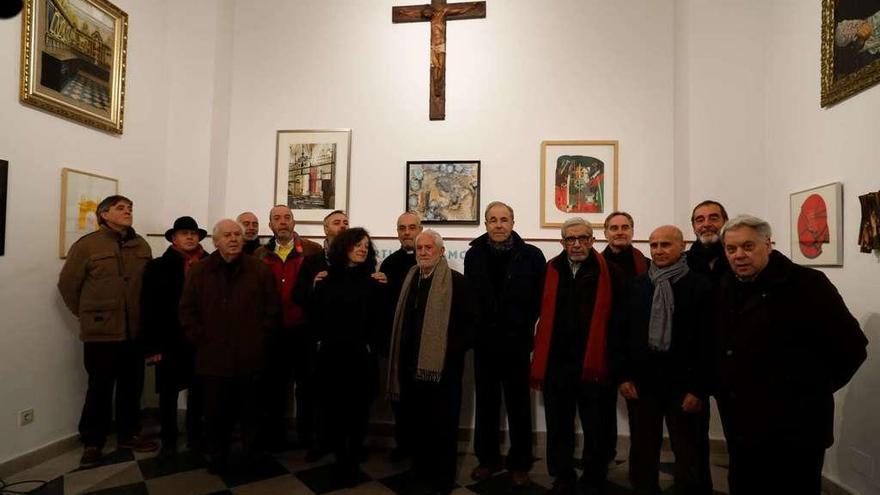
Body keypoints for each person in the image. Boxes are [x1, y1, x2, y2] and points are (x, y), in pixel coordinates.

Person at [715, 215, 868, 494]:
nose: (739, 255)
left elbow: (853, 347)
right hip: (742, 423)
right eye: (731, 249)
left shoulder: (808, 283)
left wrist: (812, 390)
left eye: (748, 246)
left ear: (768, 244)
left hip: (795, 428)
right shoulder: (726, 284)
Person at [612, 226, 713, 495]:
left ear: (682, 247)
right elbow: (619, 335)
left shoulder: (700, 286)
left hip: (686, 386)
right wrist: (623, 376)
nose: (658, 250)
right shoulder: (637, 285)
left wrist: (699, 388)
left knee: (688, 451)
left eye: (666, 244)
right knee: (643, 449)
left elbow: (710, 342)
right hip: (643, 384)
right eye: (654, 245)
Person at [58, 195, 158, 467]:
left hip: (134, 332)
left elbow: (149, 288)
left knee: (131, 387)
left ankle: (128, 434)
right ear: (103, 214)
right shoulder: (87, 246)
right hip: (101, 334)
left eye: (130, 208)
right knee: (99, 388)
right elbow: (68, 286)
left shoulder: (141, 245)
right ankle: (93, 442)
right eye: (121, 208)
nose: (128, 212)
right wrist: (91, 316)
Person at [531, 217, 625, 495]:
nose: (577, 244)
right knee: (559, 424)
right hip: (557, 362)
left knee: (597, 424)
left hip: (594, 362)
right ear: (562, 243)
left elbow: (621, 321)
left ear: (593, 240)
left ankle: (595, 474)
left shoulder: (611, 272)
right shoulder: (551, 270)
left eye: (583, 238)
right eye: (571, 239)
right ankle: (562, 474)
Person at [179, 219, 280, 474]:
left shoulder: (259, 269)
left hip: (251, 355)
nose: (234, 238)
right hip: (213, 357)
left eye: (238, 234)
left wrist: (260, 338)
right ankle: (217, 455)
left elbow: (272, 308)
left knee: (252, 413)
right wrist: (200, 337)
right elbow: (187, 310)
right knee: (215, 413)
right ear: (215, 241)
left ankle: (252, 456)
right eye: (227, 235)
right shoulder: (200, 271)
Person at [387, 229, 477, 495]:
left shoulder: (457, 282)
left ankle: (442, 479)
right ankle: (420, 472)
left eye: (429, 248)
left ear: (441, 251)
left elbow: (472, 326)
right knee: (417, 425)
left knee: (443, 427)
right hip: (410, 369)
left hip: (443, 372)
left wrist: (448, 350)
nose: (424, 253)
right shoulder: (410, 280)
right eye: (420, 249)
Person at [464, 201, 546, 485]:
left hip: (516, 344)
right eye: (493, 220)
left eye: (504, 219)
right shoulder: (473, 256)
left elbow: (539, 301)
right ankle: (487, 460)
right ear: (485, 224)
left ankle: (520, 462)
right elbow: (471, 298)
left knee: (519, 406)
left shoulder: (532, 256)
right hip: (485, 344)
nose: (498, 225)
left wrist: (522, 327)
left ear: (513, 222)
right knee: (486, 406)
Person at [307, 227, 387, 486]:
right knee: (333, 411)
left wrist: (369, 346)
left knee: (358, 413)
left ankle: (351, 460)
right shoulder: (325, 281)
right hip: (331, 358)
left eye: (366, 245)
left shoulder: (374, 283)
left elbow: (379, 323)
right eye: (357, 244)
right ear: (344, 248)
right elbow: (315, 318)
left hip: (359, 360)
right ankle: (341, 458)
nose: (363, 248)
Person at [253, 205, 322, 451]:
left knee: (306, 388)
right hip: (272, 332)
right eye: (277, 218)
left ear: (294, 222)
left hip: (303, 331)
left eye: (287, 218)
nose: (282, 222)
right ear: (270, 225)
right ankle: (274, 437)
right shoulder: (260, 255)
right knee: (273, 388)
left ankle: (307, 438)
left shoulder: (313, 251)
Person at [141, 216, 209, 457]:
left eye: (193, 233)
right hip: (169, 339)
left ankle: (195, 436)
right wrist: (153, 346)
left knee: (199, 391)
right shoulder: (157, 266)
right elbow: (149, 308)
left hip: (202, 339)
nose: (189, 237)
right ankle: (168, 438)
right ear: (174, 238)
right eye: (183, 233)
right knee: (168, 394)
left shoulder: (211, 263)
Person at [291, 209, 349, 460]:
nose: (343, 226)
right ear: (326, 230)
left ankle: (341, 442)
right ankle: (313, 440)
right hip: (316, 339)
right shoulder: (313, 260)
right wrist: (313, 284)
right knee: (313, 391)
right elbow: (298, 296)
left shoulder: (357, 258)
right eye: (337, 223)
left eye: (346, 222)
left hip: (345, 340)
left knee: (341, 394)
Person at [378, 211, 423, 460]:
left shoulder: (430, 257)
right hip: (397, 342)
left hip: (422, 343)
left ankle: (420, 447)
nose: (407, 232)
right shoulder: (389, 263)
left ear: (420, 229)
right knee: (400, 398)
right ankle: (403, 444)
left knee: (421, 400)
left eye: (411, 227)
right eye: (402, 228)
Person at [686, 200, 730, 282]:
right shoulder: (683, 263)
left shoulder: (737, 258)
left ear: (726, 222)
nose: (706, 224)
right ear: (694, 227)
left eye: (713, 219)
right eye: (700, 220)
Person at [601, 211, 649, 280]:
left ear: (632, 232)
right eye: (614, 228)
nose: (620, 232)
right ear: (605, 234)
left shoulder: (648, 265)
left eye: (625, 228)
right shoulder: (595, 264)